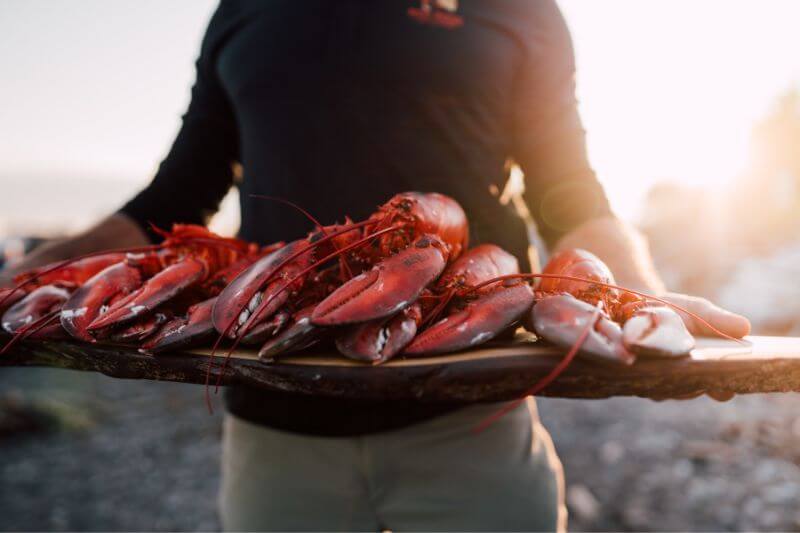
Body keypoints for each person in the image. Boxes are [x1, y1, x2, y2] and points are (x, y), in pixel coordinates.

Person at [1, 1, 750, 530]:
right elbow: (178, 194)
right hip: (274, 431)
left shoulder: (519, 6)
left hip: (472, 422)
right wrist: (30, 273)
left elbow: (570, 194)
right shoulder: (242, 9)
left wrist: (643, 300)